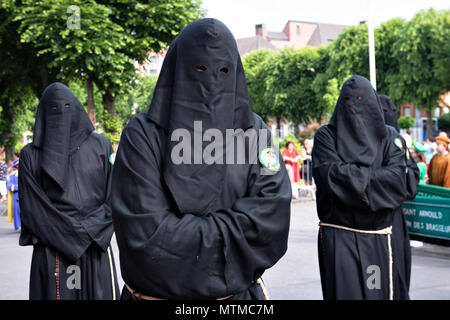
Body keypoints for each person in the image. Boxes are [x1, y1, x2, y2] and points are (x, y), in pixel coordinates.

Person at [111, 18, 291, 300]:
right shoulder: (142, 136)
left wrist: (185, 237)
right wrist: (235, 239)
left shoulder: (256, 135)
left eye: (222, 70)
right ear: (177, 69)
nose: (210, 81)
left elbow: (272, 219)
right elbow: (146, 237)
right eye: (198, 68)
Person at [313, 75, 414, 300]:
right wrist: (378, 181)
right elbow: (330, 175)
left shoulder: (389, 138)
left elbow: (398, 181)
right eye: (349, 99)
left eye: (361, 99)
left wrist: (351, 179)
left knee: (378, 291)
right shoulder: (326, 137)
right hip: (340, 241)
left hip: (378, 240)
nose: (355, 106)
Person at [18, 82, 120, 300]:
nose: (60, 114)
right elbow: (33, 209)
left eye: (65, 106)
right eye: (53, 109)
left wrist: (82, 234)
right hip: (58, 250)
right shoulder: (31, 155)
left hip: (93, 247)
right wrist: (85, 233)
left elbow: (115, 196)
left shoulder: (102, 146)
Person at [379, 93, 419, 299]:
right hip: (389, 222)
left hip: (387, 221)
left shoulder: (395, 142)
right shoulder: (396, 142)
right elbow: (411, 186)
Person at [6, 159, 20, 231]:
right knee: (17, 211)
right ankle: (18, 226)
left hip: (25, 196)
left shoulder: (27, 174)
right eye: (18, 165)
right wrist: (17, 187)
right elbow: (9, 186)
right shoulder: (13, 175)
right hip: (16, 196)